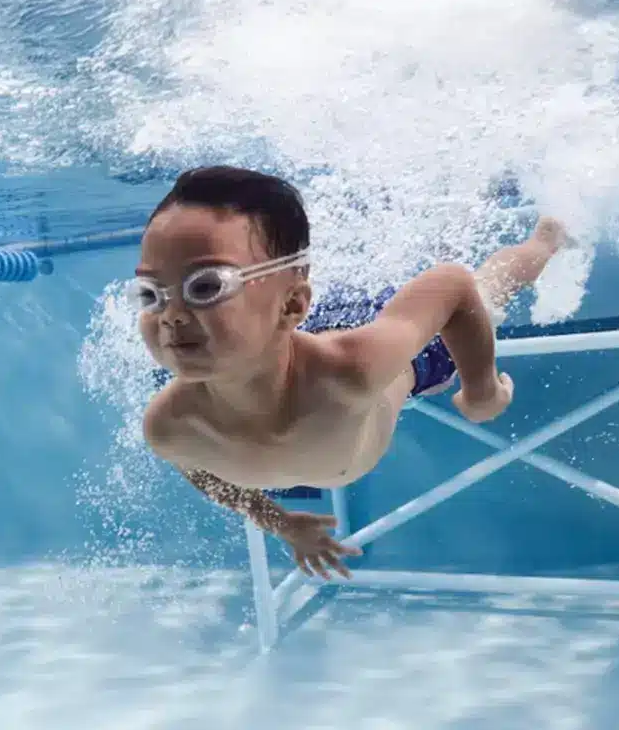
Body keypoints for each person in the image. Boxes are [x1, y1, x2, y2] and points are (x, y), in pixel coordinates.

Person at [133, 166, 568, 580]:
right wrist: (280, 524)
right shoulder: (170, 428)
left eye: (205, 287)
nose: (170, 316)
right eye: (150, 293)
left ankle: (544, 241)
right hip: (298, 328)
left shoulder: (351, 372)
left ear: (291, 306)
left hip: (383, 353)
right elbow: (202, 474)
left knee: (487, 288)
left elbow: (452, 284)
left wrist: (482, 390)